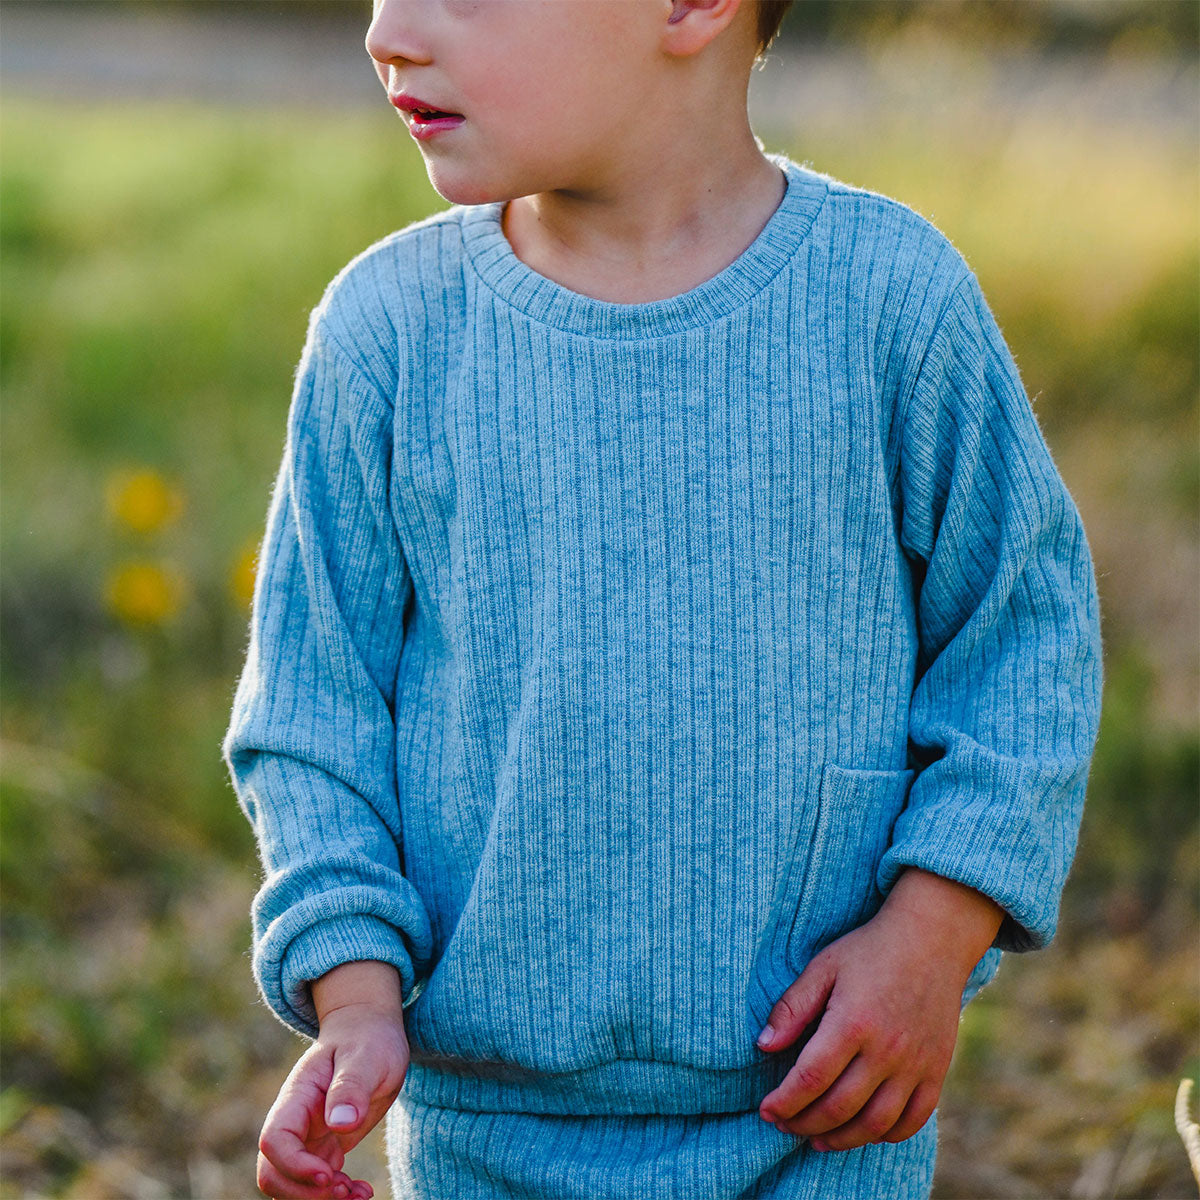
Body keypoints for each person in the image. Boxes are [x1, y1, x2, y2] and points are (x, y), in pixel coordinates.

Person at [221, 0, 1104, 1197]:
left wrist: (931, 935)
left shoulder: (891, 305)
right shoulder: (388, 337)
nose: (387, 31)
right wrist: (357, 996)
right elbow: (311, 721)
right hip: (482, 1130)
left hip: (818, 1113)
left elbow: (1026, 638)